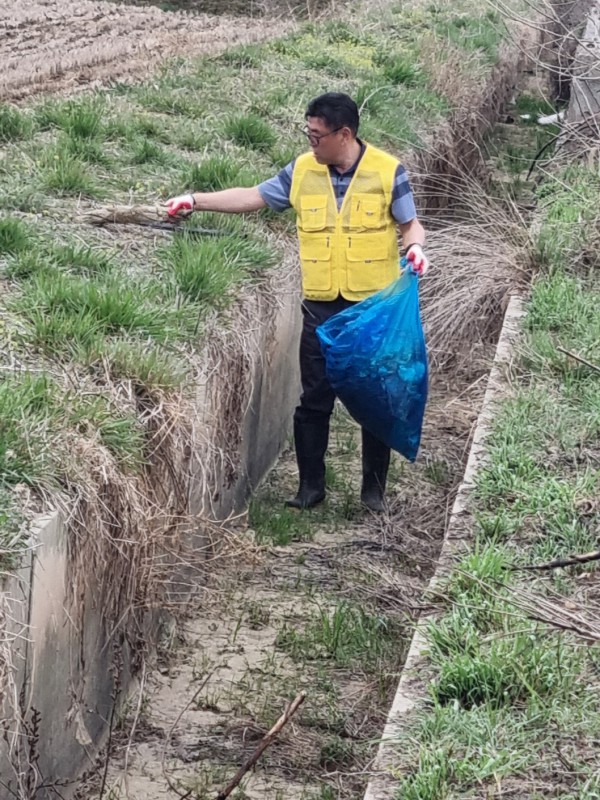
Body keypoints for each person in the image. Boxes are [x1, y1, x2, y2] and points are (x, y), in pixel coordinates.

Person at [166, 92, 429, 513]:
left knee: (376, 397)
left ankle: (373, 492)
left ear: (344, 134)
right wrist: (196, 200)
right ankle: (310, 488)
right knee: (314, 398)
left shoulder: (387, 170)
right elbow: (254, 196)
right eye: (308, 134)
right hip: (320, 307)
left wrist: (415, 249)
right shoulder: (303, 170)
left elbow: (410, 225)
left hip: (371, 312)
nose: (311, 142)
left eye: (317, 135)